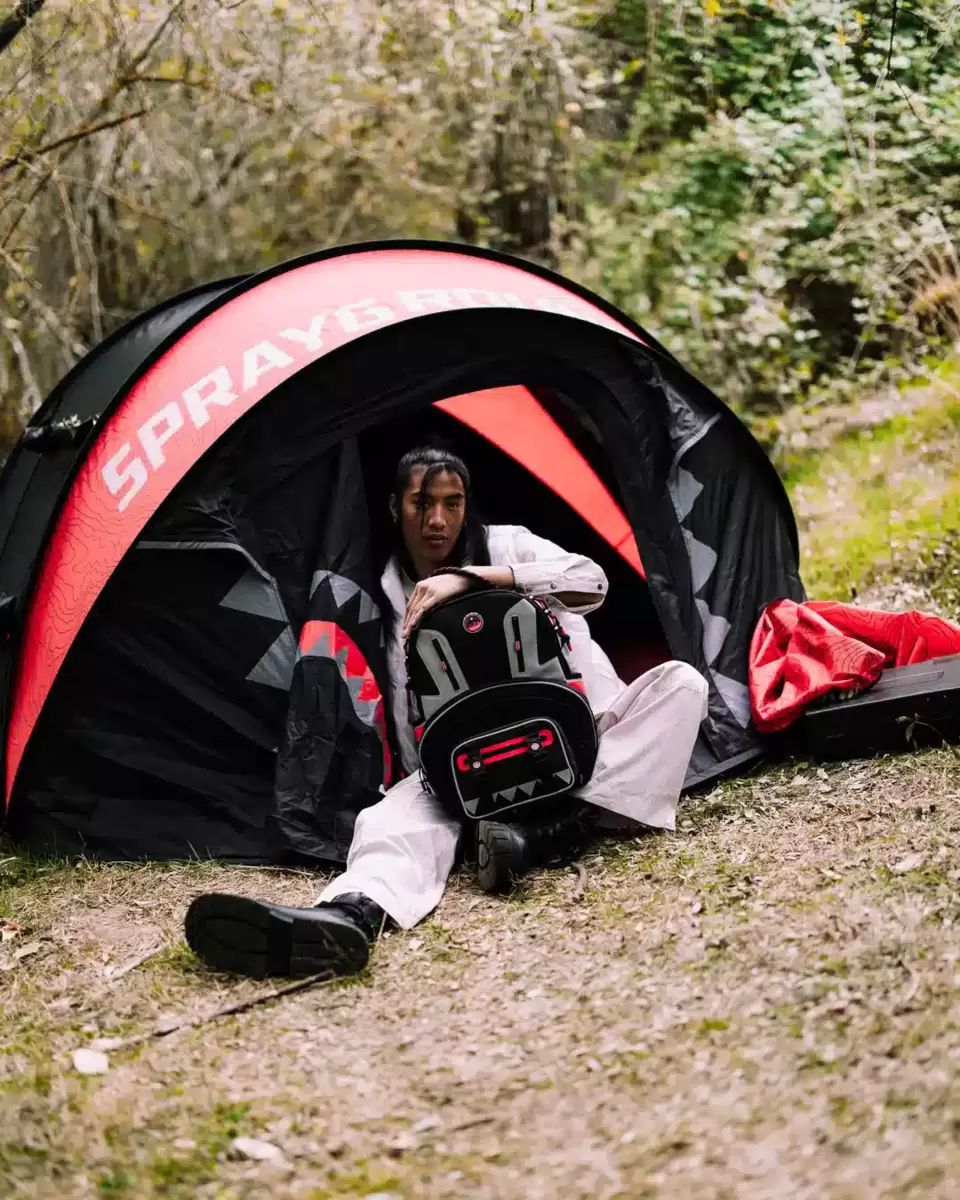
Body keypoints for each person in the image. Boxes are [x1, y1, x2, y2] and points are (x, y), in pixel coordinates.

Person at [185, 447, 708, 980]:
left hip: (573, 745)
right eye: (422, 503)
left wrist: (475, 579)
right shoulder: (383, 594)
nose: (437, 520)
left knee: (683, 685)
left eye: (452, 503)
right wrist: (440, 787)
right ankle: (347, 918)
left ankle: (553, 831)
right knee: (392, 819)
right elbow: (404, 717)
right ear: (396, 508)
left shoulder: (508, 545)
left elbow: (592, 582)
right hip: (469, 771)